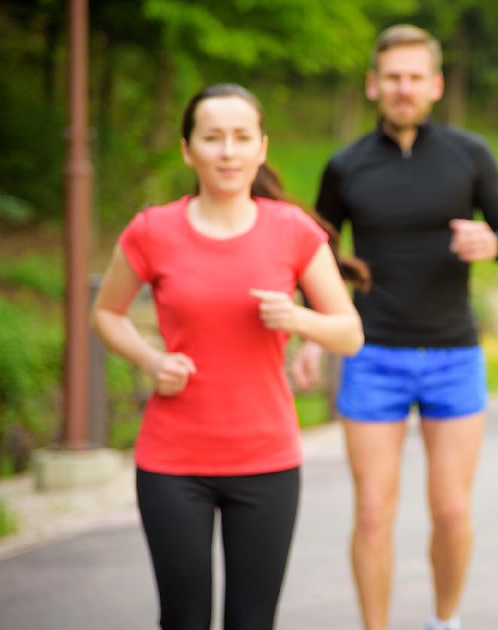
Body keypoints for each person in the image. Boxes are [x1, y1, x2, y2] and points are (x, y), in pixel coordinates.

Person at [91, 83, 364, 630]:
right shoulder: (152, 230)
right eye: (212, 138)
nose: (228, 151)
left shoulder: (292, 230)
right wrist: (152, 360)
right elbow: (106, 314)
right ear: (189, 149)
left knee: (251, 621)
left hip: (266, 459)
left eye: (241, 137)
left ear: (261, 147)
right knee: (183, 619)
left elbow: (349, 333)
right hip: (172, 461)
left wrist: (297, 318)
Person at [311, 24, 498, 630]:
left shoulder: (469, 153)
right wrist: (316, 328)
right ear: (375, 85)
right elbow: (313, 256)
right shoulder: (345, 166)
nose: (403, 89)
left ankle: (444, 621)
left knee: (451, 511)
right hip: (371, 353)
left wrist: (492, 241)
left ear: (433, 85)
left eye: (415, 77)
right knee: (374, 512)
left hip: (452, 353)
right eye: (392, 78)